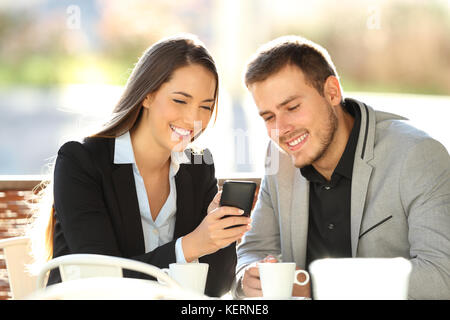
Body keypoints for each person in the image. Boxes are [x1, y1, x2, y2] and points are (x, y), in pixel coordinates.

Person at [29, 34, 251, 298]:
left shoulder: (198, 166)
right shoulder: (81, 162)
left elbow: (215, 289)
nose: (194, 119)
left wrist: (217, 237)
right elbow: (101, 282)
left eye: (206, 106)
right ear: (146, 95)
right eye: (180, 101)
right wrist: (190, 247)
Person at [232, 35, 450, 299]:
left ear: (332, 92)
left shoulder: (416, 155)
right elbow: (254, 249)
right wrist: (249, 277)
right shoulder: (279, 158)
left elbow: (441, 277)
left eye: (292, 107)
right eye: (268, 117)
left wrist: (317, 286)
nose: (281, 129)